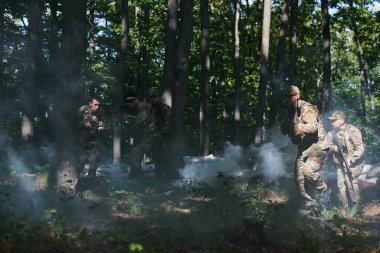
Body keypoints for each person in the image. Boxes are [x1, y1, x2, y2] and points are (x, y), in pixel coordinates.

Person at [281, 85, 326, 205]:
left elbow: (313, 127)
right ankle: (309, 203)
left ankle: (324, 192)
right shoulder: (290, 111)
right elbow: (285, 129)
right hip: (305, 146)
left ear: (297, 96)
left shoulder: (307, 108)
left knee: (308, 171)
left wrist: (298, 128)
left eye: (289, 96)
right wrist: (286, 126)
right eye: (285, 96)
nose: (286, 99)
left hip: (318, 144)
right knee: (298, 178)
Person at [328, 111, 364, 209]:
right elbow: (327, 144)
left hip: (353, 162)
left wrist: (350, 159)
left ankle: (357, 207)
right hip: (340, 162)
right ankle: (345, 207)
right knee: (340, 184)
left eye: (334, 120)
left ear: (342, 120)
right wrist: (333, 147)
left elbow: (360, 149)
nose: (332, 123)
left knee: (351, 183)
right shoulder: (333, 132)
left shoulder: (352, 130)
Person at [124, 90, 156, 178]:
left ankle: (137, 176)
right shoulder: (135, 108)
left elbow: (139, 120)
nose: (128, 103)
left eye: (130, 101)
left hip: (149, 136)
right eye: (127, 101)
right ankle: (135, 174)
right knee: (133, 151)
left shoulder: (143, 107)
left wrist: (128, 119)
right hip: (141, 136)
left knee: (136, 151)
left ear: (136, 100)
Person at [78, 97, 106, 177]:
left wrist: (100, 126)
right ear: (90, 103)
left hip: (93, 139)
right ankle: (75, 180)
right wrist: (83, 124)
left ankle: (91, 180)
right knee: (80, 162)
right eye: (95, 105)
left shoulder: (100, 112)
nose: (97, 107)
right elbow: (72, 123)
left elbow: (104, 124)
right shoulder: (82, 110)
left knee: (95, 160)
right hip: (81, 139)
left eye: (98, 105)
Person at [149, 89, 172, 177]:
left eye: (155, 97)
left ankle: (162, 174)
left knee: (162, 155)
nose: (153, 99)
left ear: (159, 98)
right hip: (150, 134)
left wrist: (159, 133)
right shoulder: (148, 108)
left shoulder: (164, 108)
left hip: (162, 135)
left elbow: (168, 124)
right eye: (151, 97)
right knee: (156, 154)